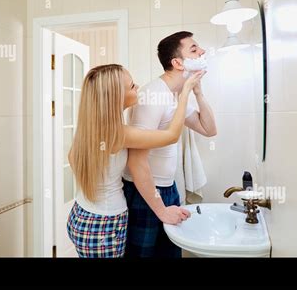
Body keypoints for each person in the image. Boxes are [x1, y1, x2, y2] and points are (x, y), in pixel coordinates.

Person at [66, 63, 204, 258]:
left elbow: (72, 158)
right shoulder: (118, 133)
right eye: (131, 86)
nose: (138, 87)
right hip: (103, 226)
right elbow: (172, 135)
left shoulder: (89, 126)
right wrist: (185, 93)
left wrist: (97, 184)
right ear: (115, 97)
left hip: (81, 214)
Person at [124, 31, 217, 258]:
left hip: (167, 188)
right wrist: (160, 209)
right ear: (177, 63)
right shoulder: (153, 94)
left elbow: (209, 129)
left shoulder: (177, 95)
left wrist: (198, 91)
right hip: (144, 191)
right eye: (194, 49)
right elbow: (136, 161)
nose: (203, 51)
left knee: (170, 253)